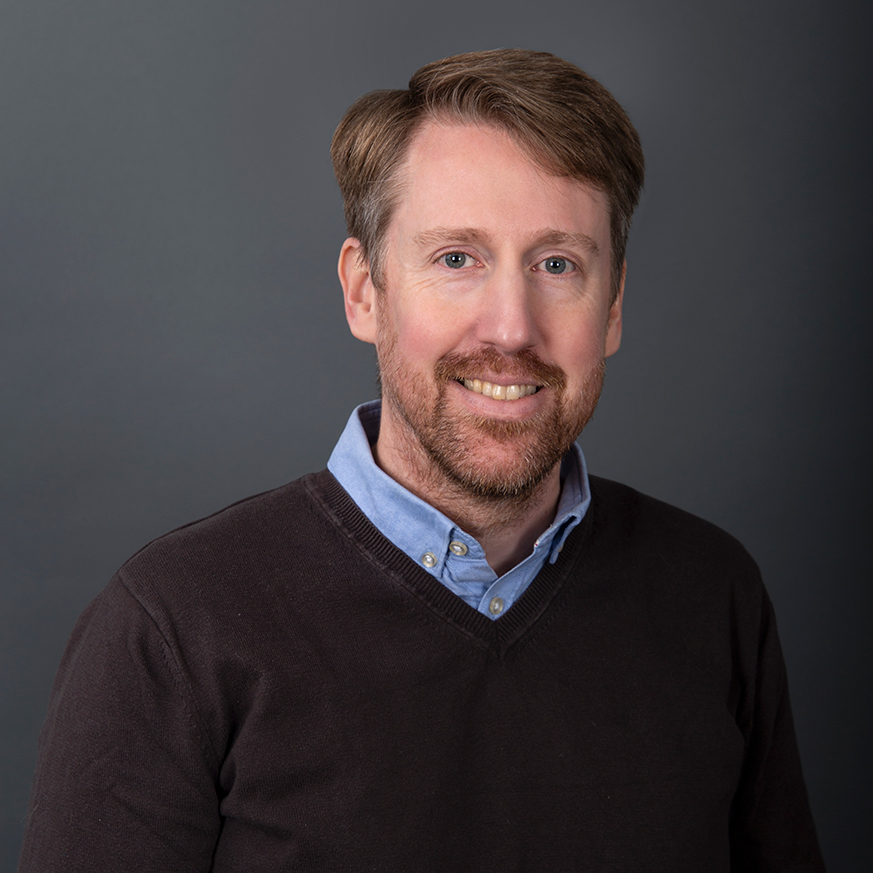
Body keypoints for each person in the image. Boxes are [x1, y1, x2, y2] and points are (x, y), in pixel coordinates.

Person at [18, 49, 824, 871]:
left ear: (611, 307)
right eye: (455, 259)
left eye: (556, 264)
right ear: (363, 291)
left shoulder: (711, 594)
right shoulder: (174, 626)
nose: (510, 328)